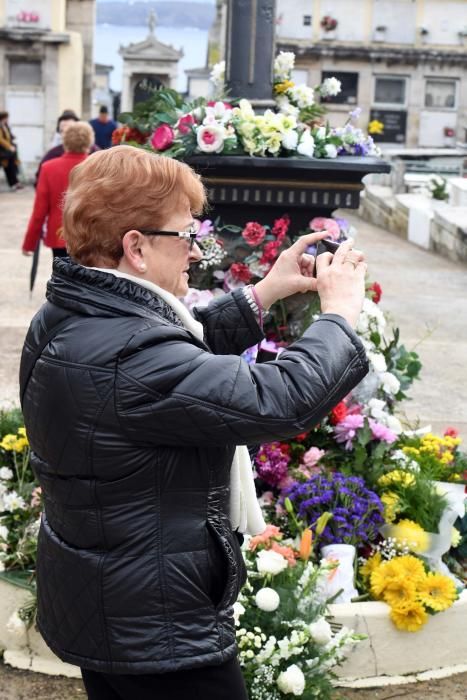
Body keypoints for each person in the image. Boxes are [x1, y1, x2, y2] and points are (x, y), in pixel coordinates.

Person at [19, 145, 369, 700]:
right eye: (184, 236)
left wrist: (264, 293)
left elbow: (180, 353)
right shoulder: (127, 352)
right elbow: (280, 398)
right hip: (158, 625)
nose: (195, 252)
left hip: (111, 600)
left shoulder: (74, 312)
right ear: (135, 247)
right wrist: (340, 315)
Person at [21, 122, 94, 259]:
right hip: (90, 235)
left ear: (64, 142)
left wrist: (29, 243)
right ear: (89, 141)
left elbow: (39, 211)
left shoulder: (48, 168)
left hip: (59, 234)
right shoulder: (96, 167)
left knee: (61, 277)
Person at [34, 110, 99, 186]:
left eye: (70, 131)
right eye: (62, 131)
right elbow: (39, 181)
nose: (65, 135)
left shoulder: (96, 153)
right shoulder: (52, 155)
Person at [0, 111, 23, 190]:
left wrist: (13, 138)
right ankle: (15, 183)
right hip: (2, 152)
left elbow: (9, 135)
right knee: (9, 167)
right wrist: (9, 146)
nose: (7, 119)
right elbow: (1, 139)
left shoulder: (5, 126)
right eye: (6, 118)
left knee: (10, 167)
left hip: (7, 153)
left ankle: (15, 183)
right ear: (3, 118)